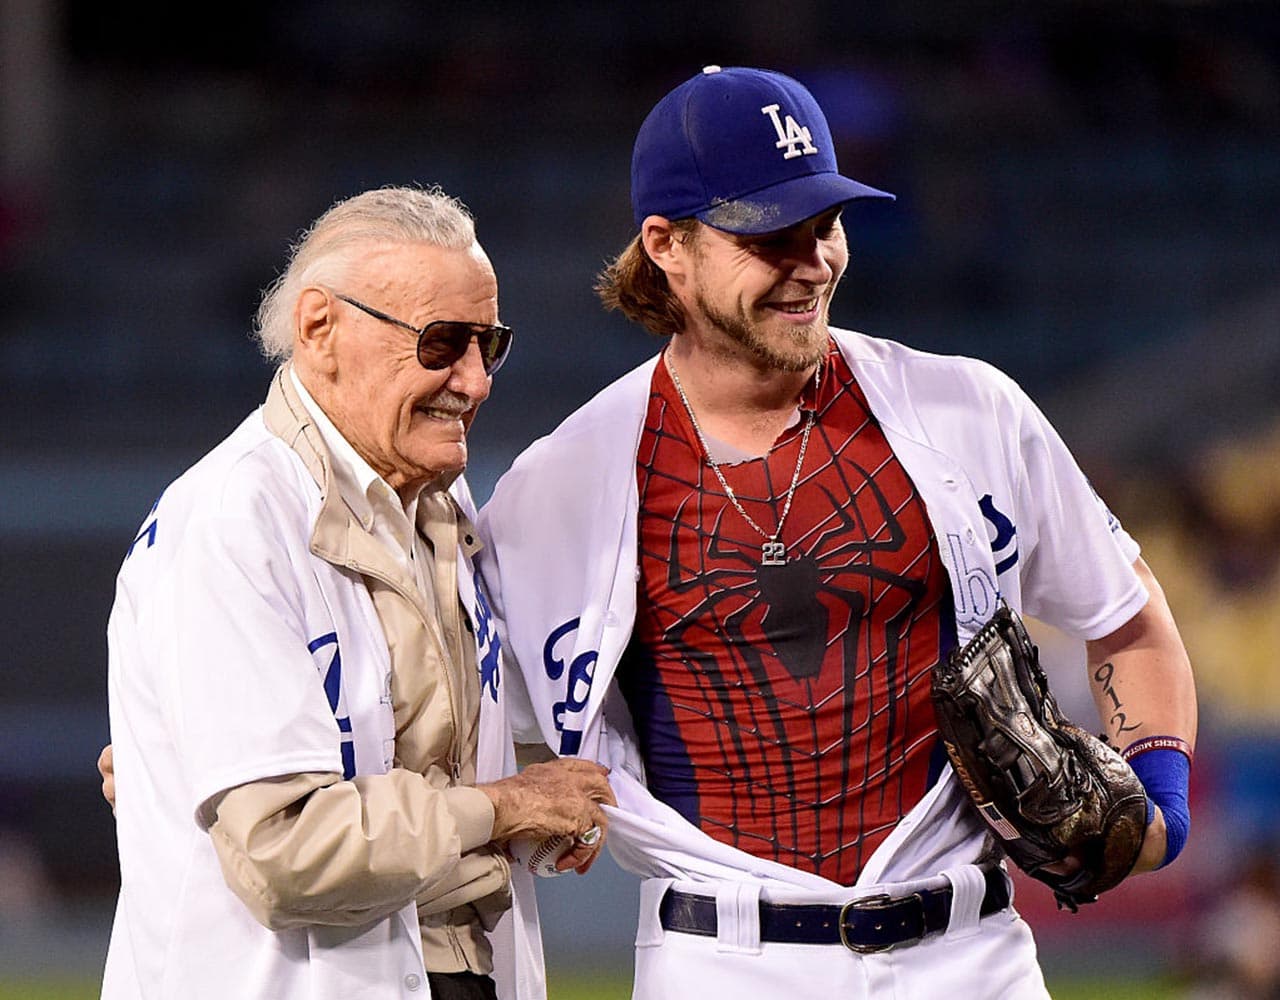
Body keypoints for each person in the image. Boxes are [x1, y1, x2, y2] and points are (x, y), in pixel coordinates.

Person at [475, 66, 1198, 998]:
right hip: (722, 962)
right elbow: (474, 717)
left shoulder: (967, 410)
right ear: (666, 245)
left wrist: (1162, 807)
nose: (812, 261)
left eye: (825, 225)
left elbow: (1126, 615)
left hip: (968, 955)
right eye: (770, 236)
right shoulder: (559, 486)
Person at [100, 184, 615, 1000]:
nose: (475, 381)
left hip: (457, 968)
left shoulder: (434, 502)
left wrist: (546, 807)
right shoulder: (233, 520)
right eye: (441, 343)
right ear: (320, 329)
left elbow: (442, 746)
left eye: (489, 345)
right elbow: (287, 853)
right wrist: (505, 809)